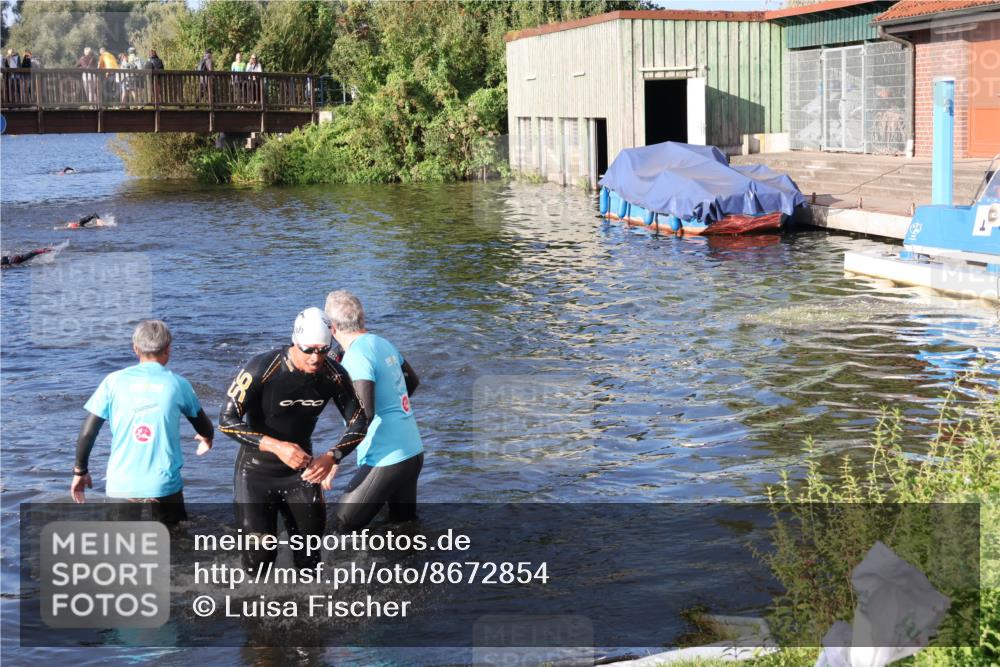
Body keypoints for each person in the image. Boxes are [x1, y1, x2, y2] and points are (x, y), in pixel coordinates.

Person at [219, 307, 368, 569]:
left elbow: (359, 420)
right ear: (295, 342)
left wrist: (332, 457)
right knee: (260, 559)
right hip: (255, 473)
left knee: (310, 560)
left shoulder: (333, 375)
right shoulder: (262, 367)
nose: (315, 357)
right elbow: (226, 421)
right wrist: (276, 446)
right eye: (309, 350)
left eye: (323, 349)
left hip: (303, 472)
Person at [71, 320, 214, 524]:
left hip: (122, 486)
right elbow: (204, 426)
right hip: (164, 486)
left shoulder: (113, 381)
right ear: (168, 349)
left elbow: (88, 432)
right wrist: (207, 438)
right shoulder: (178, 384)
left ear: (135, 349)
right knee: (175, 546)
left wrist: (80, 471)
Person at [324, 290, 424, 532]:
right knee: (402, 530)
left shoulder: (356, 355)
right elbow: (412, 382)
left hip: (386, 457)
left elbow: (364, 415)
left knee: (339, 529)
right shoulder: (382, 342)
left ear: (333, 328)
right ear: (362, 319)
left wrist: (334, 459)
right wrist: (391, 410)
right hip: (412, 451)